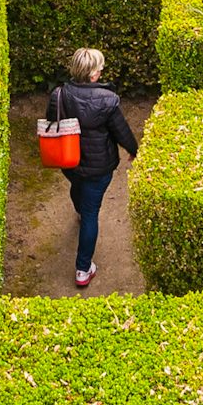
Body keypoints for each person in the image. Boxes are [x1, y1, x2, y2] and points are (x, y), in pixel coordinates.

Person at [46, 48, 138, 287]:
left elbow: (51, 122)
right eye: (99, 68)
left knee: (78, 186)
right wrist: (133, 149)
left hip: (69, 161)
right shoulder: (107, 100)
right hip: (99, 167)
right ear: (93, 74)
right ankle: (83, 269)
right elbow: (121, 131)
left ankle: (79, 209)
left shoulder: (59, 94)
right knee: (91, 215)